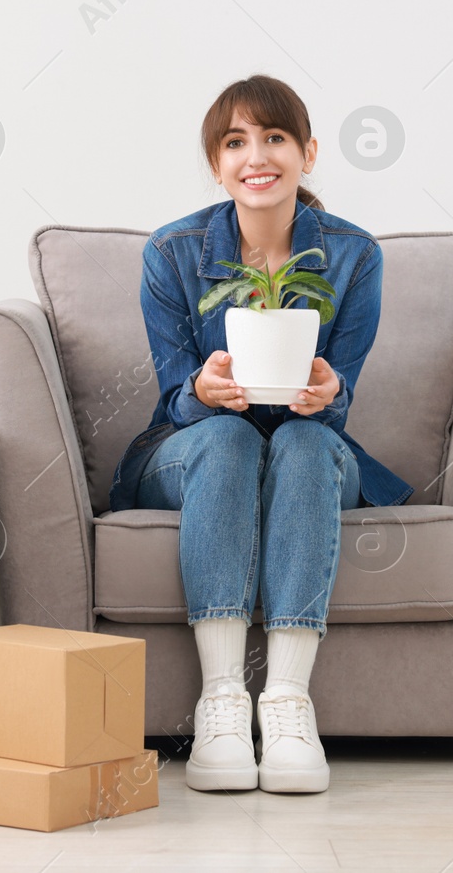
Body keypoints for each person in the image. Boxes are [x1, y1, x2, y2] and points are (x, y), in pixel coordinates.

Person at [107, 74, 414, 794]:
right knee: (232, 438)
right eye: (236, 141)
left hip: (310, 444)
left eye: (275, 137)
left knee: (302, 443)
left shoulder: (354, 256)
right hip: (197, 445)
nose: (258, 155)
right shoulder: (173, 252)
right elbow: (174, 394)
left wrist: (328, 393)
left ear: (307, 152)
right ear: (217, 164)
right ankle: (221, 699)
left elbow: (341, 397)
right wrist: (202, 391)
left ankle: (286, 702)